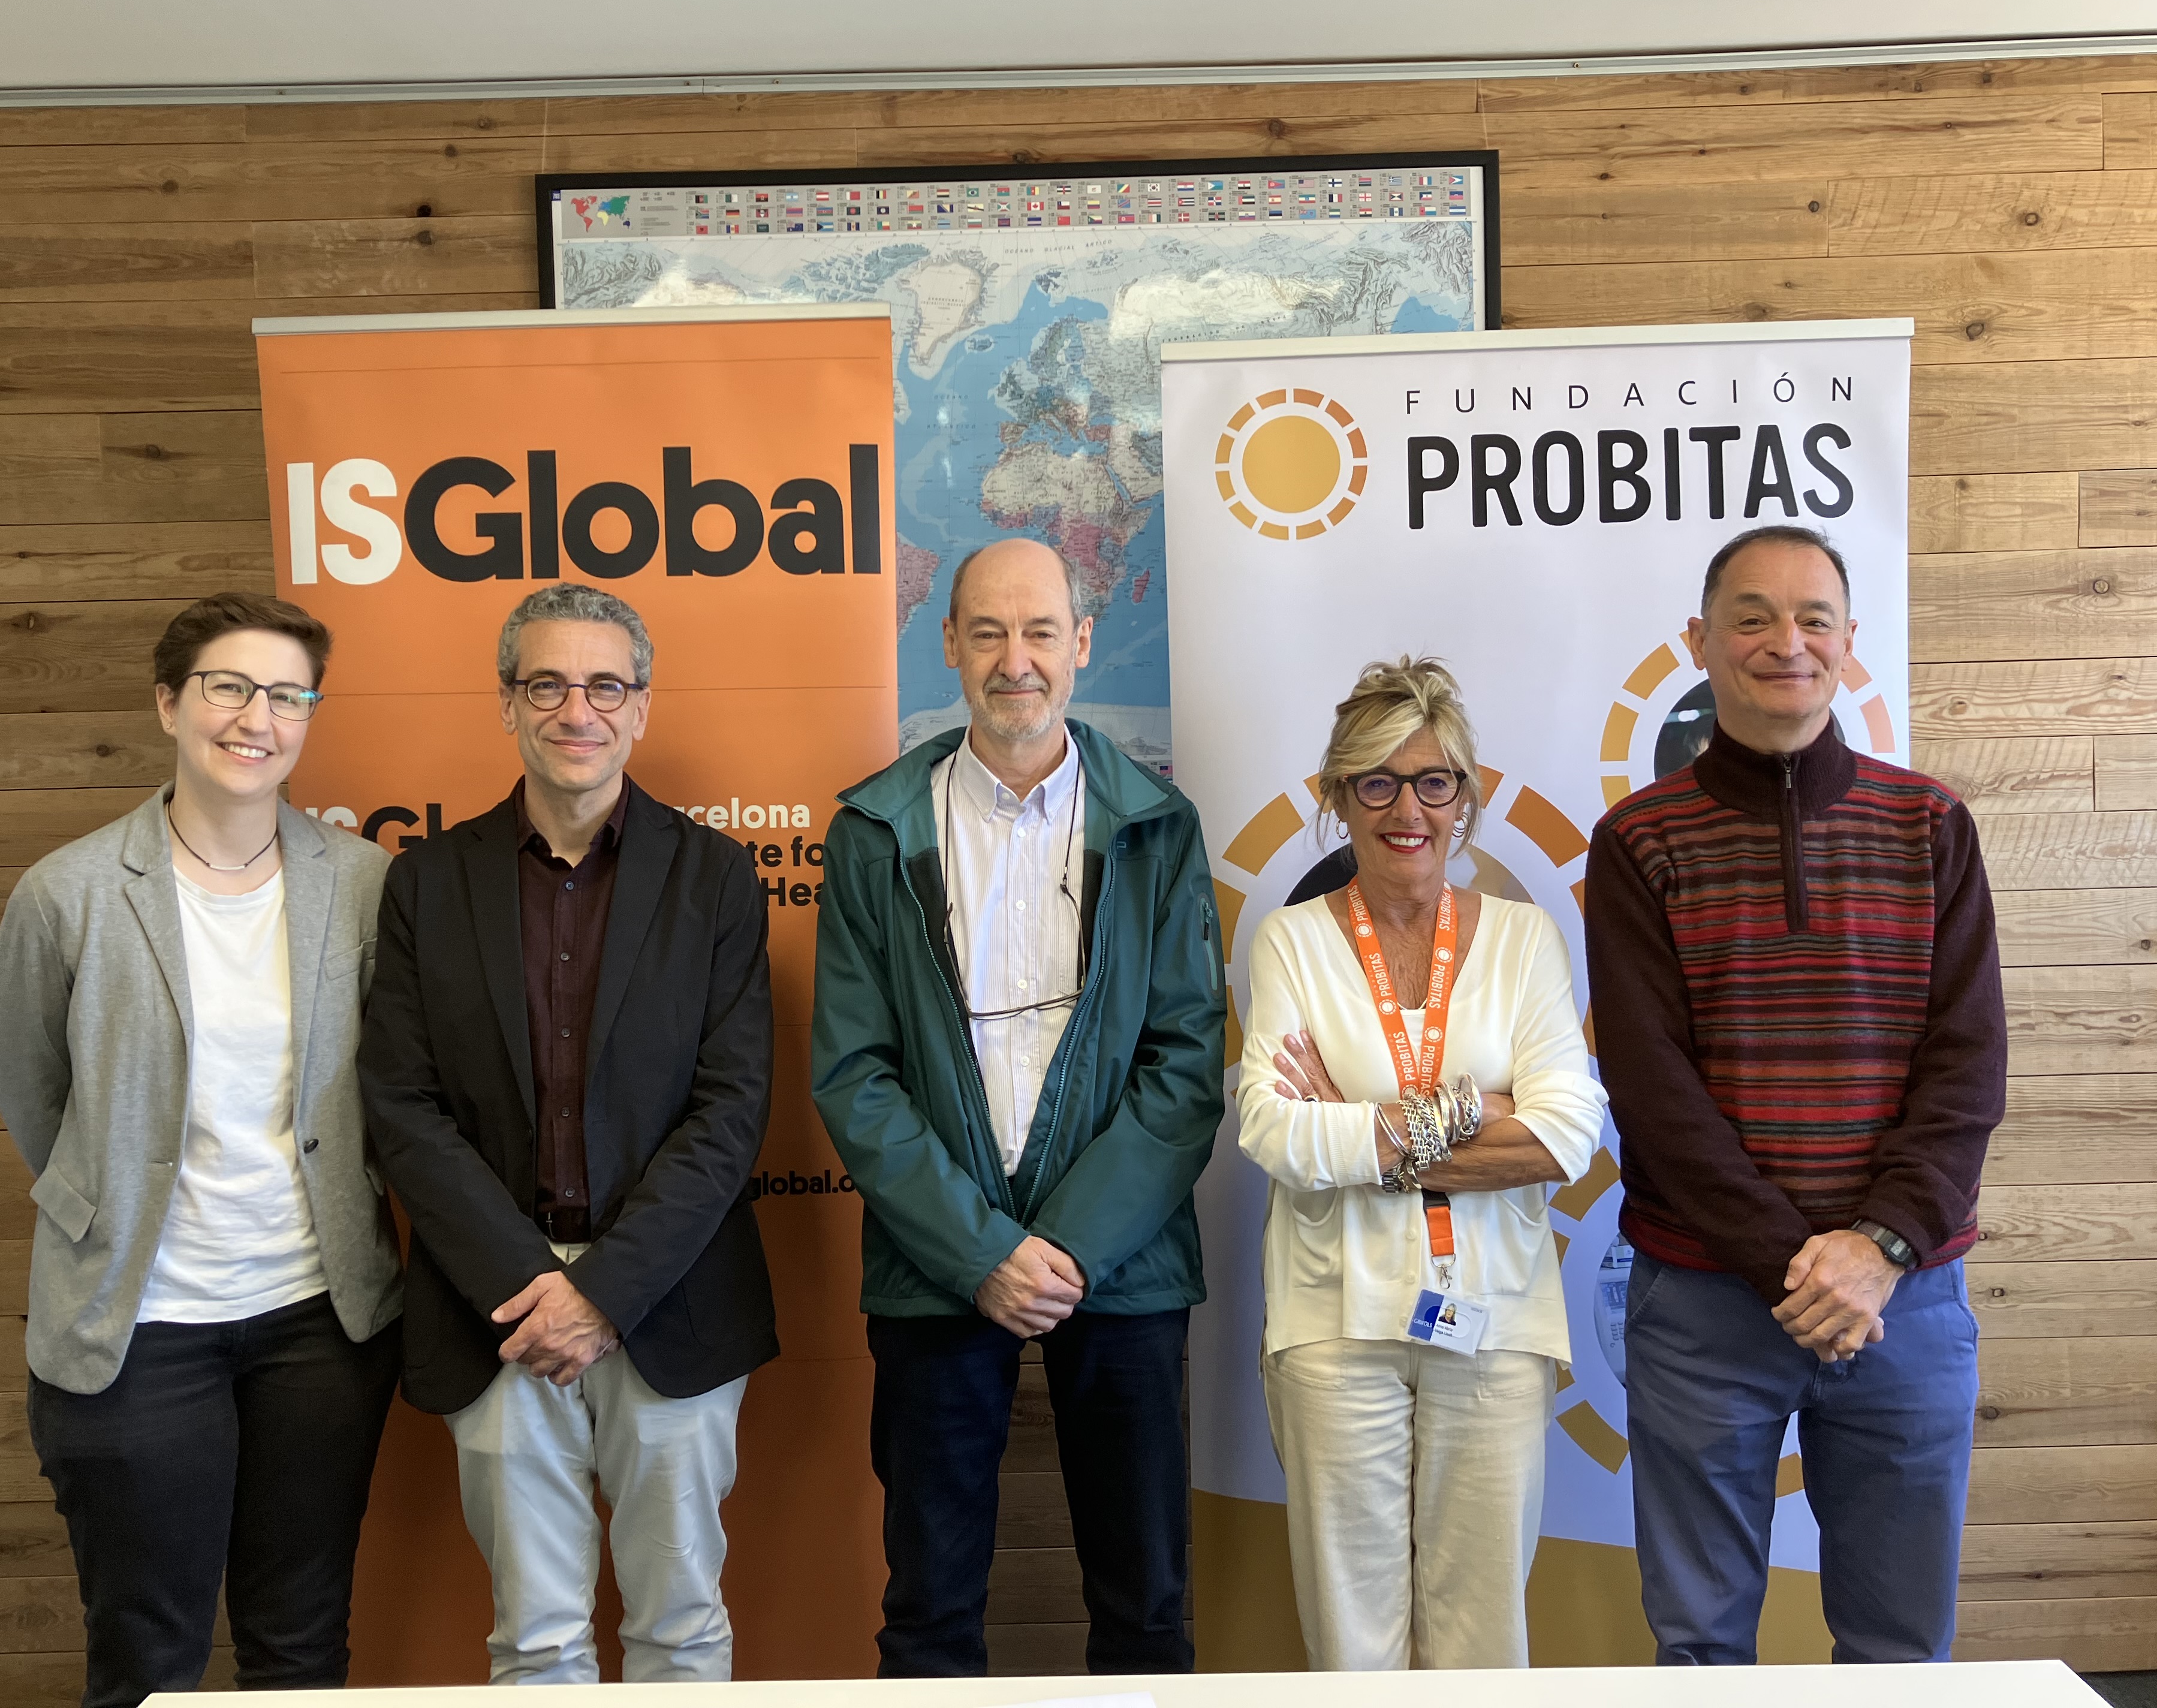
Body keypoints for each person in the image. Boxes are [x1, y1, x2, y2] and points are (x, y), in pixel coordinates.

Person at [1585, 524, 2005, 1665]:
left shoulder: (1931, 825)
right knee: (1701, 1649)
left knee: (1898, 1651)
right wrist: (1801, 1265)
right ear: (1700, 641)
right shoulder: (1638, 841)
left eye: (1814, 618)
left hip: (1905, 1297)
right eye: (1753, 617)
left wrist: (1877, 1249)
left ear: (1849, 641)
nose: (1787, 642)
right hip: (1706, 1302)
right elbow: (1650, 1085)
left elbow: (1968, 1065)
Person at [812, 537, 1226, 1677]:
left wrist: (1073, 1247)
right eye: (988, 633)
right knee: (930, 1610)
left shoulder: (1160, 826)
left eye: (1041, 631)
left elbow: (1186, 1064)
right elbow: (854, 1072)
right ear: (948, 643)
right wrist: (981, 1252)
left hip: (1125, 1269)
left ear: (1081, 642)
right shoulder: (875, 830)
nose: (1016, 661)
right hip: (935, 1263)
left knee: (1146, 1606)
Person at [0, 592, 403, 1708]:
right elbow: (38, 1098)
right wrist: (116, 1195)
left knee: (301, 1647)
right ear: (170, 703)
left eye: (287, 695)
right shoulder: (68, 894)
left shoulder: (362, 883)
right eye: (229, 687)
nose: (256, 718)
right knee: (146, 1656)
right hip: (137, 1329)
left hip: (318, 1325)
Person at [358, 582, 776, 1685]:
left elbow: (730, 1110)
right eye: (546, 685)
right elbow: (402, 1107)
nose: (576, 710)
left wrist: (605, 1294)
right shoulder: (427, 884)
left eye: (604, 686)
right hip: (496, 1314)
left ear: (641, 707)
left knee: (681, 1629)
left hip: (673, 1303)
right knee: (535, 1640)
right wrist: (533, 1287)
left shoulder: (716, 878)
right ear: (507, 703)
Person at [1235, 656, 1604, 1671]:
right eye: (1378, 783)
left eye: (1434, 782)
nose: (1409, 809)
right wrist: (1472, 1112)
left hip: (1494, 1325)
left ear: (1465, 799)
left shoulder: (1525, 940)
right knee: (1353, 1644)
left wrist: (1364, 1135)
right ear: (1337, 797)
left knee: (1483, 1641)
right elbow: (1272, 1133)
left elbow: (1566, 1136)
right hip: (1333, 1325)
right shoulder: (1291, 943)